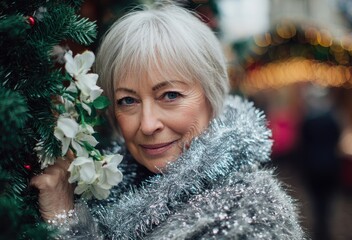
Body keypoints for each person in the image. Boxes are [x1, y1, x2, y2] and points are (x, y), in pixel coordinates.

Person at [31, 2, 305, 239]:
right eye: (128, 100)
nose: (148, 124)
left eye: (170, 95)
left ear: (212, 96)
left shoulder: (253, 211)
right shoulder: (101, 190)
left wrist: (65, 221)